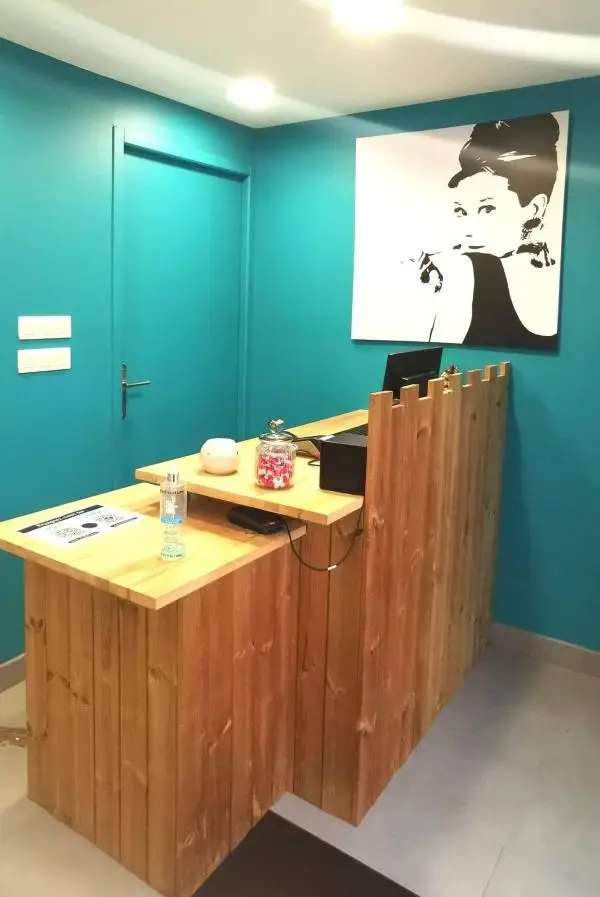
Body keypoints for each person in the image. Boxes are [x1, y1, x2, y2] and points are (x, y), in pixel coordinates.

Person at [412, 114, 562, 349]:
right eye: (461, 211)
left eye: (488, 209)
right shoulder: (462, 271)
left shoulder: (560, 279)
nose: (468, 230)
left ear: (534, 208)